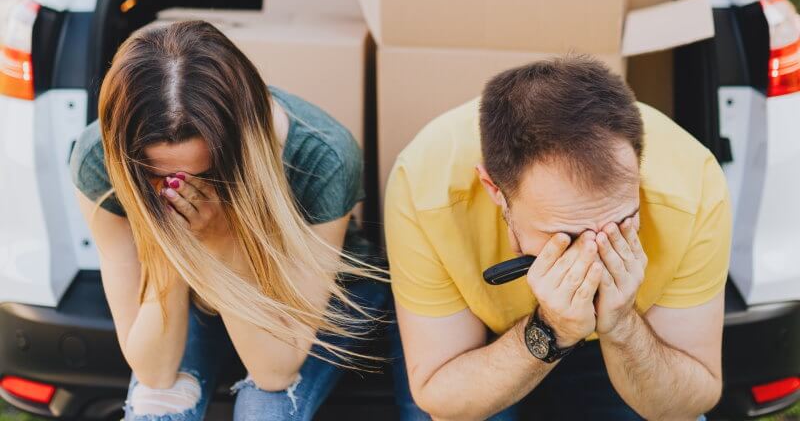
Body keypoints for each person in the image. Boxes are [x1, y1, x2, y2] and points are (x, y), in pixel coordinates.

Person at [69, 21, 387, 421]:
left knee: (265, 412)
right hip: (196, 298)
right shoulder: (97, 159)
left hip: (314, 298)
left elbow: (274, 371)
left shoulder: (322, 155)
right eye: (158, 176)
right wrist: (174, 241)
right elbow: (154, 372)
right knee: (155, 408)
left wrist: (222, 242)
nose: (181, 189)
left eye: (207, 172)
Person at [384, 55, 731, 420]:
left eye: (622, 223)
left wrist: (622, 324)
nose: (594, 258)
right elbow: (443, 398)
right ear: (495, 190)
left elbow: (689, 402)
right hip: (480, 341)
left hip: (632, 335)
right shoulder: (426, 185)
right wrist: (552, 327)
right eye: (566, 235)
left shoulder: (693, 187)